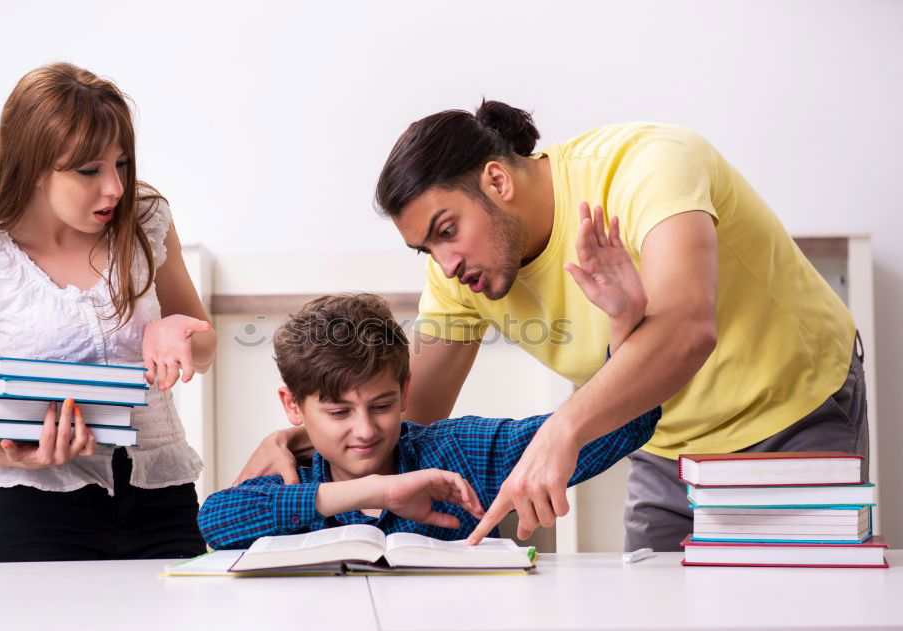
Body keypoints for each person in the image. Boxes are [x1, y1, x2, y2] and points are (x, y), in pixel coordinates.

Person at [240, 101, 864, 551]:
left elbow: (687, 331)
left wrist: (563, 429)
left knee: (793, 623)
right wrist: (298, 437)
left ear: (497, 179)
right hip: (661, 444)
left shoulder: (646, 165)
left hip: (790, 411)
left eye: (447, 230)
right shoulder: (456, 275)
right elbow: (407, 413)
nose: (445, 262)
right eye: (426, 249)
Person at [0, 63, 218, 562]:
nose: (114, 188)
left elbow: (206, 345)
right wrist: (21, 455)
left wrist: (178, 333)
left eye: (123, 164)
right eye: (89, 170)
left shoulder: (147, 221)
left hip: (162, 498)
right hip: (40, 511)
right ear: (34, 167)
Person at [198, 292, 660, 549]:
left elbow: (627, 423)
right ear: (293, 407)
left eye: (381, 406)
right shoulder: (286, 473)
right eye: (339, 412)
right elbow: (214, 521)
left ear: (405, 391)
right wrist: (380, 491)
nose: (364, 430)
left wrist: (623, 325)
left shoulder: (458, 452)